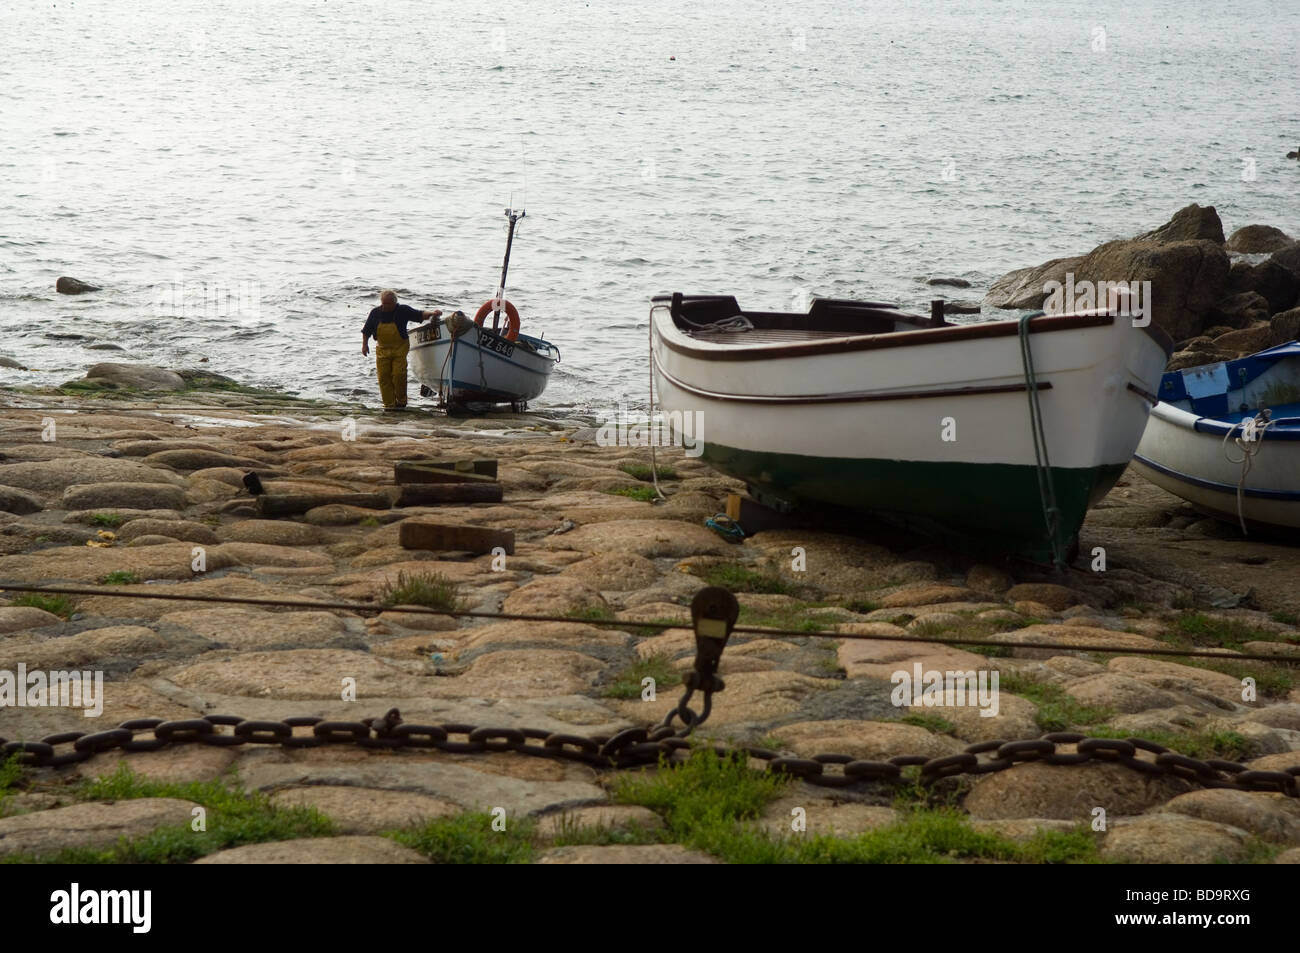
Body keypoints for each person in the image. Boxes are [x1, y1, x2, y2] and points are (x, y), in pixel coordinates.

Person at [361, 290, 440, 410]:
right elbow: (366, 331)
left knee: (399, 375)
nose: (385, 307)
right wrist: (364, 345)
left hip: (400, 349)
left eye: (388, 304)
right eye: (383, 303)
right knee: (383, 377)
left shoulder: (402, 310)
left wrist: (433, 313)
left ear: (394, 303)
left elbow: (420, 314)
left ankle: (401, 402)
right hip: (382, 350)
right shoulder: (375, 313)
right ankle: (389, 405)